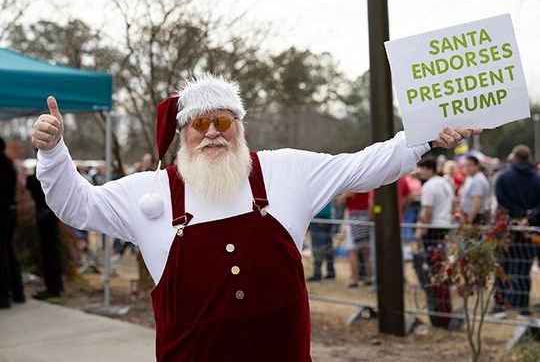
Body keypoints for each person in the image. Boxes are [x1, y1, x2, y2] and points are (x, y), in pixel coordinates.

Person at [31, 75, 477, 360]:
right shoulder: (150, 192)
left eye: (223, 122)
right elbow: (77, 205)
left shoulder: (286, 171)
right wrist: (53, 152)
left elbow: (363, 164)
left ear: (239, 126)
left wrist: (425, 136)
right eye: (199, 124)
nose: (211, 133)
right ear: (184, 133)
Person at [494, 144, 540, 319]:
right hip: (529, 229)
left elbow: (501, 199)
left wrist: (518, 215)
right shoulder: (537, 178)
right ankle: (522, 308)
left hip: (506, 228)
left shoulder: (504, 177)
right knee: (523, 267)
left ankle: (500, 306)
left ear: (514, 157)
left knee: (501, 266)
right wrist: (528, 216)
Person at [415, 157, 454, 329]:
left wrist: (421, 230)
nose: (419, 172)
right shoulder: (445, 183)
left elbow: (427, 211)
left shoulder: (429, 186)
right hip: (444, 226)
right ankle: (442, 304)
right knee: (440, 266)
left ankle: (439, 308)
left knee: (433, 269)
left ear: (429, 169)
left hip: (432, 229)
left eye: (422, 169)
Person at [26, 168, 64, 300]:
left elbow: (33, 186)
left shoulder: (46, 171)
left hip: (47, 216)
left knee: (50, 252)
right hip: (48, 215)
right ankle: (55, 285)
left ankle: (54, 286)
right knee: (51, 251)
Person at [0, 137, 25, 308]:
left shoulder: (3, 166)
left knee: (3, 253)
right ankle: (17, 291)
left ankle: (4, 294)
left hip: (2, 214)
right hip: (9, 212)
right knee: (8, 250)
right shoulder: (8, 164)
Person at [306, 201, 336, 281]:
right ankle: (331, 271)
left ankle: (317, 273)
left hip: (318, 219)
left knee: (318, 248)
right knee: (328, 247)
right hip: (328, 219)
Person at [459, 155, 490, 224]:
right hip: (473, 216)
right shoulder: (472, 178)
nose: (467, 168)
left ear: (477, 166)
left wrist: (469, 221)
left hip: (476, 217)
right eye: (465, 166)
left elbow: (476, 203)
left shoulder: (478, 180)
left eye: (469, 165)